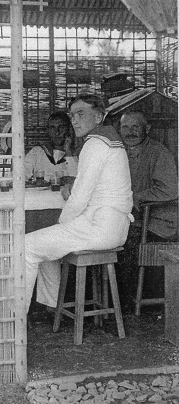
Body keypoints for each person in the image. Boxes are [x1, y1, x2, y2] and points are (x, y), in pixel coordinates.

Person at [25, 93, 133, 313]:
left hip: (100, 228)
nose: (74, 120)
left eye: (81, 114)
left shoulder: (95, 144)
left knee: (26, 246)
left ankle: (15, 319)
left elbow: (80, 197)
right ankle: (52, 306)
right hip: (114, 227)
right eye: (72, 115)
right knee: (45, 244)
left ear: (99, 116)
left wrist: (62, 222)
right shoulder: (112, 141)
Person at [117, 110, 178, 313]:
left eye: (136, 127)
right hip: (135, 218)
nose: (130, 132)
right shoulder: (120, 153)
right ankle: (112, 301)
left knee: (124, 240)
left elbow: (170, 189)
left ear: (147, 129)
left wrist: (139, 196)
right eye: (125, 127)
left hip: (158, 221)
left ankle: (127, 304)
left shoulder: (158, 152)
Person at [24, 110, 78, 182]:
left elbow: (78, 180)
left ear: (69, 129)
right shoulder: (37, 152)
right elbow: (21, 175)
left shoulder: (77, 154)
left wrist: (68, 152)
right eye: (52, 128)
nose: (57, 132)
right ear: (48, 130)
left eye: (61, 127)